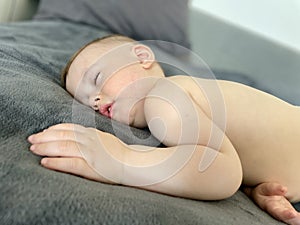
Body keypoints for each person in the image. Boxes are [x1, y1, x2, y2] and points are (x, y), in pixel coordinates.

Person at [28, 34, 300, 225]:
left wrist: (122, 159)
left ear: (142, 56)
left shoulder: (163, 97)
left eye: (97, 79)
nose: (95, 100)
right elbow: (232, 158)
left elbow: (221, 170)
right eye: (85, 100)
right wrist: (254, 186)